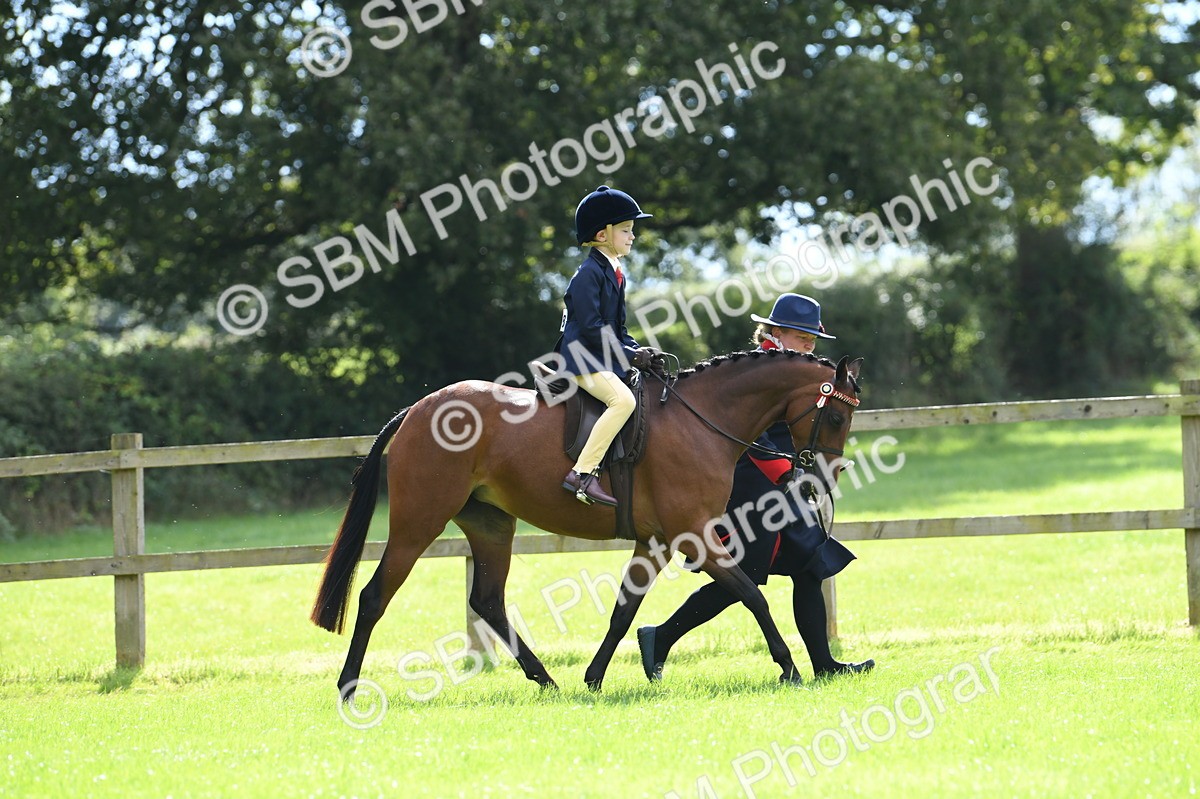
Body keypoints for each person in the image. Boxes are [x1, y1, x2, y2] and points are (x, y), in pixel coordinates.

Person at [636, 293, 875, 680]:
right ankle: (659, 637)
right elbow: (751, 436)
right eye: (804, 338)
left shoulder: (801, 373)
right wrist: (785, 472)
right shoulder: (756, 368)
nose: (810, 346)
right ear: (777, 332)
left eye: (814, 340)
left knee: (811, 567)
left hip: (785, 487)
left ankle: (825, 666)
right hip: (749, 487)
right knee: (738, 579)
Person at [556, 185, 659, 507]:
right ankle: (583, 474)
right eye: (626, 230)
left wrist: (640, 351)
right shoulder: (587, 275)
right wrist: (627, 355)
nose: (632, 237)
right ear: (602, 235)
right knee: (622, 402)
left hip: (601, 356)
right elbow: (591, 329)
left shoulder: (615, 274)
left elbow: (618, 328)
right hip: (580, 358)